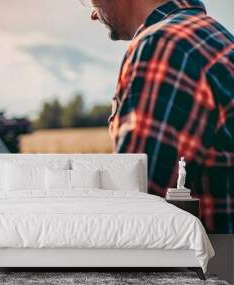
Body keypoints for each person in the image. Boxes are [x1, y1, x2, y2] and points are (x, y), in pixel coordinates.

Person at [84, 0, 234, 233]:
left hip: (204, 267)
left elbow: (137, 215)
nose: (93, 14)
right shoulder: (214, 38)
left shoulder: (165, 46)